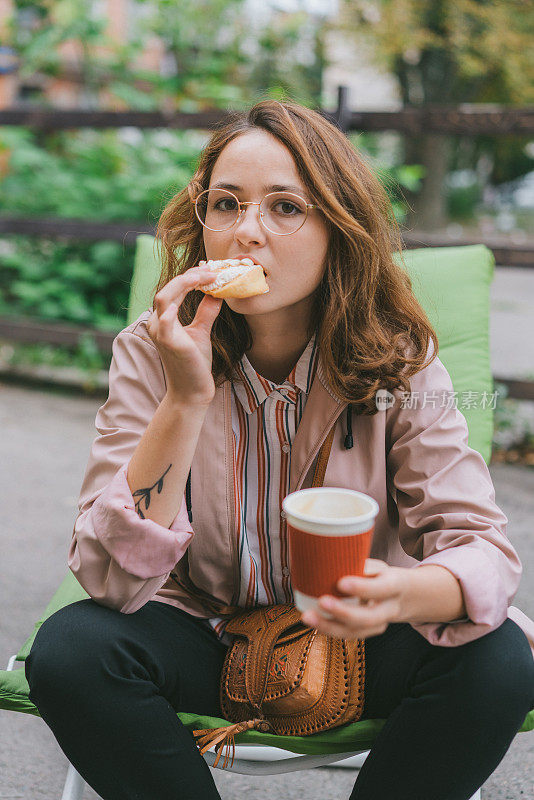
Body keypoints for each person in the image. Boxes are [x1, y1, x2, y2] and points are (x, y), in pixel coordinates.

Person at [25, 100, 534, 800]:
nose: (246, 233)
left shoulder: (400, 360)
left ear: (338, 230)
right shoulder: (154, 350)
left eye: (286, 207)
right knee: (71, 652)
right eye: (226, 204)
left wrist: (395, 596)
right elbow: (109, 580)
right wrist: (184, 398)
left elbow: (479, 547)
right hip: (200, 628)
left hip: (359, 638)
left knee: (500, 658)